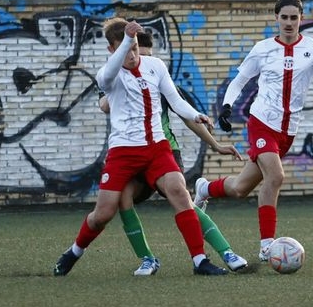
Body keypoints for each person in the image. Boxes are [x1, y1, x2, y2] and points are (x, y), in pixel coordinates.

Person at [54, 17, 228, 276]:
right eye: (126, 48)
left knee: (180, 192)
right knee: (102, 214)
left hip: (157, 147)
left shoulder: (155, 65)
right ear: (112, 50)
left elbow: (174, 99)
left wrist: (196, 114)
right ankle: (74, 252)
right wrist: (125, 40)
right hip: (123, 154)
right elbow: (108, 75)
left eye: (135, 47)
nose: (133, 54)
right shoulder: (107, 75)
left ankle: (200, 260)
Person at [193, 0, 313, 261]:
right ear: (276, 18)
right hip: (261, 122)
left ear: (301, 19)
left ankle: (204, 188)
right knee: (276, 177)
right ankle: (267, 245)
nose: (288, 22)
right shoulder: (262, 49)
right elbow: (238, 82)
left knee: (239, 188)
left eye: (293, 17)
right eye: (283, 17)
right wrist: (226, 106)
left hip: (288, 130)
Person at [98, 32, 248, 275]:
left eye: (144, 54)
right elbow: (103, 102)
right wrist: (107, 99)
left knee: (181, 198)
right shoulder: (115, 75)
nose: (138, 59)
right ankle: (147, 259)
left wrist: (216, 145)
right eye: (133, 52)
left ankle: (224, 251)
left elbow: (187, 116)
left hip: (163, 150)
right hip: (131, 153)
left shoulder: (157, 75)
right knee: (121, 198)